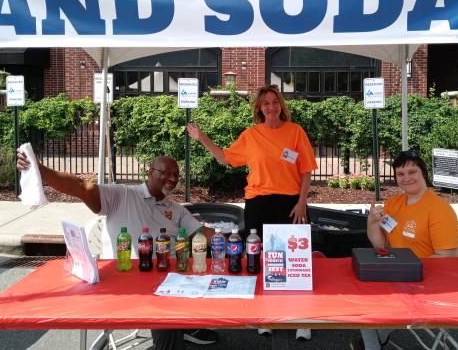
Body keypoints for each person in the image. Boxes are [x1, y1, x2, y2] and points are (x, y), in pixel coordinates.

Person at [17, 151, 218, 350]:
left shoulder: (177, 210)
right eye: (166, 173)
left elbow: (202, 233)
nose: (172, 179)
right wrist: (39, 169)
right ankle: (177, 328)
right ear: (150, 172)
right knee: (165, 312)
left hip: (172, 278)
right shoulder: (123, 194)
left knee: (205, 280)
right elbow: (80, 187)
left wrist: (235, 239)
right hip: (131, 279)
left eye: (176, 175)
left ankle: (183, 326)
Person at [187, 84, 318, 341]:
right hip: (259, 203)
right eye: (265, 103)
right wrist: (203, 138)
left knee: (297, 260)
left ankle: (301, 318)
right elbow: (226, 158)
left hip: (291, 203)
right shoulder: (251, 135)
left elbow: (306, 170)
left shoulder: (295, 132)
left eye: (274, 101)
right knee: (262, 260)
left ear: (281, 104)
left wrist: (302, 202)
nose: (271, 107)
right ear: (259, 108)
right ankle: (265, 316)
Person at [350, 150, 458, 350]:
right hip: (397, 274)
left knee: (369, 302)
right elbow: (381, 246)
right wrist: (372, 223)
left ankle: (373, 344)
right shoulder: (393, 204)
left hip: (426, 280)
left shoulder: (439, 209)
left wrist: (407, 270)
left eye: (412, 172)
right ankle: (376, 342)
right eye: (401, 174)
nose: (407, 178)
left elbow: (447, 259)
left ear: (423, 173)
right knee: (360, 293)